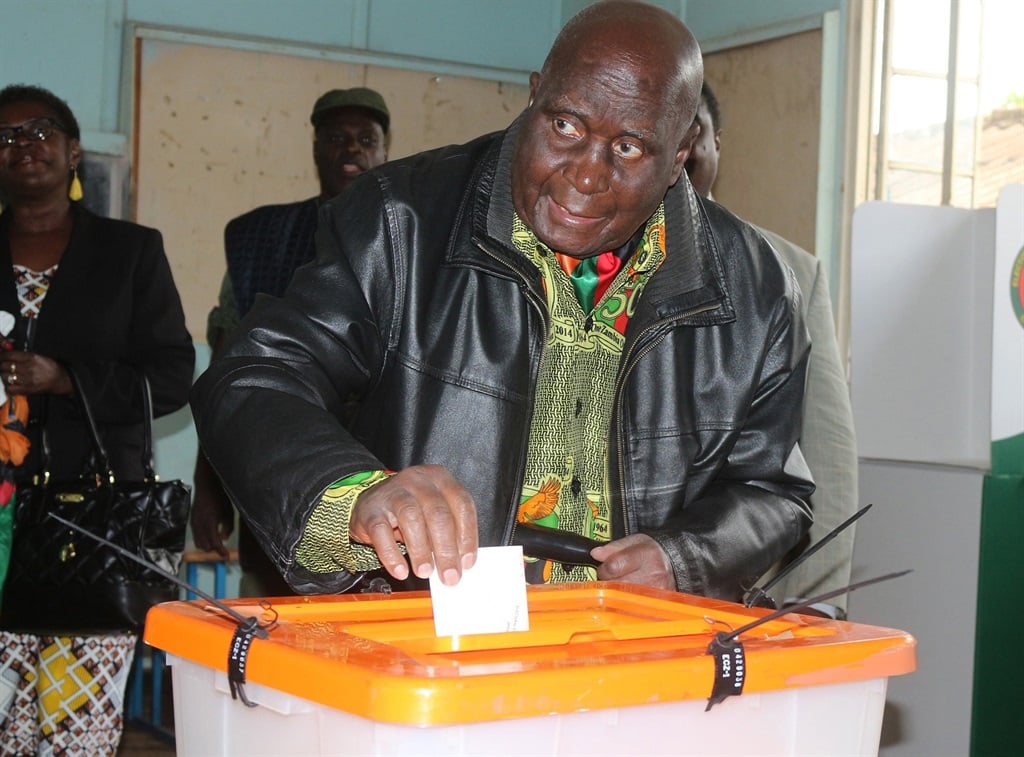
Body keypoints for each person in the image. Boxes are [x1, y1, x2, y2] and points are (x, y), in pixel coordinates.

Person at [192, 0, 814, 600]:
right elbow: (254, 378)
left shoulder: (754, 288)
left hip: (639, 657)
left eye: (628, 148)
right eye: (566, 125)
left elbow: (773, 489)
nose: (587, 174)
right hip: (429, 645)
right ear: (535, 94)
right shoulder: (399, 222)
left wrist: (685, 557)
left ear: (679, 156)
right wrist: (356, 494)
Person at [0, 84, 194, 754]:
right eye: (4, 137)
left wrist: (66, 378)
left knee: (73, 727)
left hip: (91, 524)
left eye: (39, 130)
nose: (21, 145)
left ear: (73, 150)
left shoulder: (130, 252)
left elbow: (172, 374)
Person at [191, 87, 391, 596]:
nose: (352, 150)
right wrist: (210, 486)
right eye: (336, 139)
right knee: (271, 625)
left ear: (386, 149)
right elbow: (230, 371)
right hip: (279, 472)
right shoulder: (261, 237)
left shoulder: (412, 236)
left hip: (388, 475)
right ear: (316, 148)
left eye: (366, 139)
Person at [685, 80, 858, 618]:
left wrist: (812, 599)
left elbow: (827, 448)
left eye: (697, 136)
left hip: (736, 590)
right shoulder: (580, 247)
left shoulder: (789, 270)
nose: (683, 153)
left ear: (718, 145)